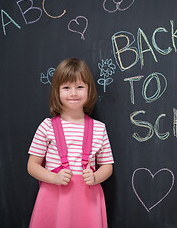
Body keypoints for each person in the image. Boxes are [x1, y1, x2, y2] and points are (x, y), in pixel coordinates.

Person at [27, 58, 114, 228]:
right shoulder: (47, 127)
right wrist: (54, 177)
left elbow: (107, 166)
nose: (73, 93)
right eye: (66, 87)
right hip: (54, 199)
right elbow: (32, 166)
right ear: (57, 92)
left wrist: (96, 177)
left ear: (89, 90)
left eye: (80, 87)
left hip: (88, 201)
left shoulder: (99, 128)